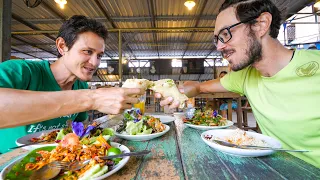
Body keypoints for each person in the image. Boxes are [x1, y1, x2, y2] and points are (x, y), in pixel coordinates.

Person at [157, 0, 320, 168]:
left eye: (226, 34)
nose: (219, 46)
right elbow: (199, 87)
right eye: (217, 39)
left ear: (261, 25)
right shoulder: (245, 77)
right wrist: (173, 91)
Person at [0, 15, 143, 153]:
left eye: (99, 55)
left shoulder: (80, 86)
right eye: (87, 51)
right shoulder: (21, 71)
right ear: (62, 46)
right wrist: (91, 98)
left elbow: (78, 131)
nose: (95, 63)